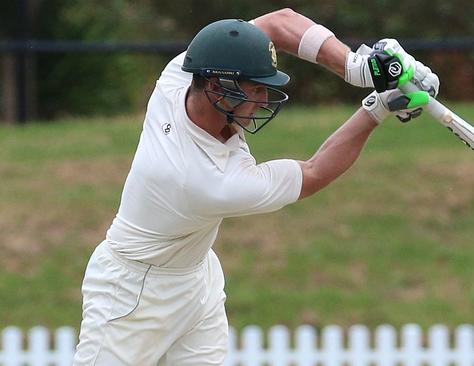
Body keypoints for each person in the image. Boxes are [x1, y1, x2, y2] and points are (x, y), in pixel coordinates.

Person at [73, 8, 439, 365]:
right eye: (256, 89)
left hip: (196, 279)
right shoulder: (208, 181)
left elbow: (279, 23)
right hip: (131, 293)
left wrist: (358, 68)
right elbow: (313, 172)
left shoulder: (179, 77)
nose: (264, 100)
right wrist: (377, 108)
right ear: (218, 87)